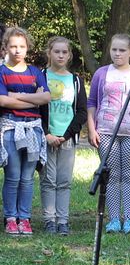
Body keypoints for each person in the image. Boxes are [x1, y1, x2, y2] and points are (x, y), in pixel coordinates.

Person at [87, 33, 130, 234]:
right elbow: (92, 103)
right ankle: (114, 219)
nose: (117, 53)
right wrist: (91, 128)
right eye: (114, 49)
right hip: (107, 132)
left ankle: (129, 220)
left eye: (122, 50)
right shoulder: (101, 73)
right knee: (113, 175)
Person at [0, 27, 51, 235]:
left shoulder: (35, 72)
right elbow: (2, 100)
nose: (17, 50)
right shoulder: (2, 72)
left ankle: (25, 217)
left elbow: (46, 98)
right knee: (12, 175)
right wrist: (32, 99)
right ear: (5, 47)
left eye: (21, 46)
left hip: (33, 129)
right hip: (10, 127)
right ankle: (11, 217)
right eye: (13, 46)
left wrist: (16, 95)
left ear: (27, 47)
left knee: (28, 177)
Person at [39, 36, 87, 235]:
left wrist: (66, 135)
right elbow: (36, 109)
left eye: (64, 52)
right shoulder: (40, 76)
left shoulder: (75, 81)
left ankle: (63, 220)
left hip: (67, 138)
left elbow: (82, 111)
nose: (60, 55)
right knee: (48, 180)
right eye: (56, 51)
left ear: (69, 55)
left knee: (64, 180)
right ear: (49, 53)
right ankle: (49, 220)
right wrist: (47, 134)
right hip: (46, 137)